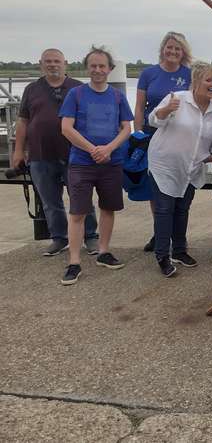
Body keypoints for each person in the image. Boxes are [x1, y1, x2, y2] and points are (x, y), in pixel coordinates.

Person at [58, 47, 133, 285]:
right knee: (78, 212)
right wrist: (93, 150)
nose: (98, 70)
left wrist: (108, 149)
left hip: (111, 163)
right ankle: (74, 262)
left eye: (102, 66)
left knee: (108, 208)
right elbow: (66, 128)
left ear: (110, 69)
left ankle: (103, 251)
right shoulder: (76, 94)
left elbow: (126, 128)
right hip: (81, 163)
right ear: (87, 68)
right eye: (94, 66)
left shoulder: (118, 96)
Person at [13, 48, 98, 256]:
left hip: (74, 155)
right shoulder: (32, 89)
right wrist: (18, 151)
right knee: (50, 201)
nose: (52, 65)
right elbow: (23, 121)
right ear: (41, 64)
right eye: (48, 61)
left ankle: (91, 237)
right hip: (40, 155)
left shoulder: (79, 88)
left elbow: (90, 121)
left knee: (81, 198)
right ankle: (59, 238)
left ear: (65, 63)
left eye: (56, 61)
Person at [147, 62, 212, 277]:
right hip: (165, 164)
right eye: (208, 80)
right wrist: (165, 110)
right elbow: (153, 121)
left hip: (192, 167)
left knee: (182, 209)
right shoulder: (177, 98)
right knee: (164, 209)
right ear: (196, 81)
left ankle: (179, 250)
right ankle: (162, 255)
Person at [134, 31, 193, 252]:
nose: (173, 51)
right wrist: (137, 134)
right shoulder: (149, 73)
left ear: (183, 52)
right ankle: (160, 232)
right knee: (156, 186)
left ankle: (176, 236)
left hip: (177, 135)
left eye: (177, 48)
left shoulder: (189, 75)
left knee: (177, 186)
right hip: (152, 132)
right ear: (163, 49)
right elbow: (140, 107)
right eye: (169, 47)